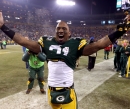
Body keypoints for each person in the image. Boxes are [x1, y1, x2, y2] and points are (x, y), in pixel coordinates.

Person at [0, 12, 130, 109]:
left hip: (68, 90)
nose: (60, 30)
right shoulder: (46, 42)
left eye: (64, 29)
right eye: (58, 29)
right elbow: (23, 41)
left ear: (69, 33)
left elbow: (98, 45)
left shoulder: (76, 43)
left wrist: (118, 32)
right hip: (51, 90)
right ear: (55, 31)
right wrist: (3, 26)